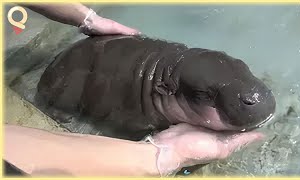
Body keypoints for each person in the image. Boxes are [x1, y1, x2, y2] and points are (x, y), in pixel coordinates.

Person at [4, 3, 265, 177]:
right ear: (166, 91)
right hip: (68, 79)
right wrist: (166, 154)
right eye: (205, 97)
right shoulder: (145, 106)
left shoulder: (181, 81)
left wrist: (86, 18)